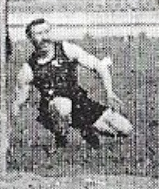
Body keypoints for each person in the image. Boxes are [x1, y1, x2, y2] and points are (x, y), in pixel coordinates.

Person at [12, 18, 133, 149]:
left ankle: (86, 128)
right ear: (30, 38)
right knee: (63, 105)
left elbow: (99, 66)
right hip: (53, 108)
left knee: (125, 129)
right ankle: (61, 139)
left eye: (47, 31)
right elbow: (19, 100)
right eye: (39, 34)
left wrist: (109, 92)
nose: (45, 37)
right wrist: (9, 128)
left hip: (79, 101)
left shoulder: (66, 49)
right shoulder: (29, 68)